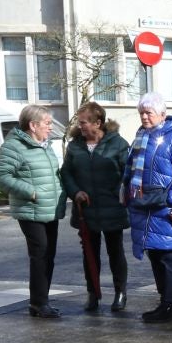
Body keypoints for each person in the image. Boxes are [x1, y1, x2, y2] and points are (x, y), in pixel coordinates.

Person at [121, 92, 172, 323]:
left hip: (164, 208)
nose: (144, 117)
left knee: (168, 257)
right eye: (141, 113)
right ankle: (165, 301)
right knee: (155, 254)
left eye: (148, 113)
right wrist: (125, 189)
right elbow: (131, 168)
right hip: (145, 206)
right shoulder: (141, 137)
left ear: (162, 115)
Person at [61, 102, 130, 313]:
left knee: (115, 251)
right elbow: (66, 173)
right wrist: (75, 192)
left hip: (112, 207)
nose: (80, 126)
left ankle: (120, 293)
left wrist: (117, 192)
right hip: (86, 210)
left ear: (97, 122)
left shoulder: (118, 144)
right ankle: (93, 294)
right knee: (89, 253)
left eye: (83, 122)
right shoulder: (74, 146)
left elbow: (128, 173)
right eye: (79, 122)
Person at [0, 104, 63, 318]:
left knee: (48, 255)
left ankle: (41, 302)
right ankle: (39, 303)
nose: (50, 128)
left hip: (50, 209)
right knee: (40, 253)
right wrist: (31, 192)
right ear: (33, 125)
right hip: (30, 209)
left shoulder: (45, 145)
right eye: (47, 123)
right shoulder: (13, 147)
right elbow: (1, 176)